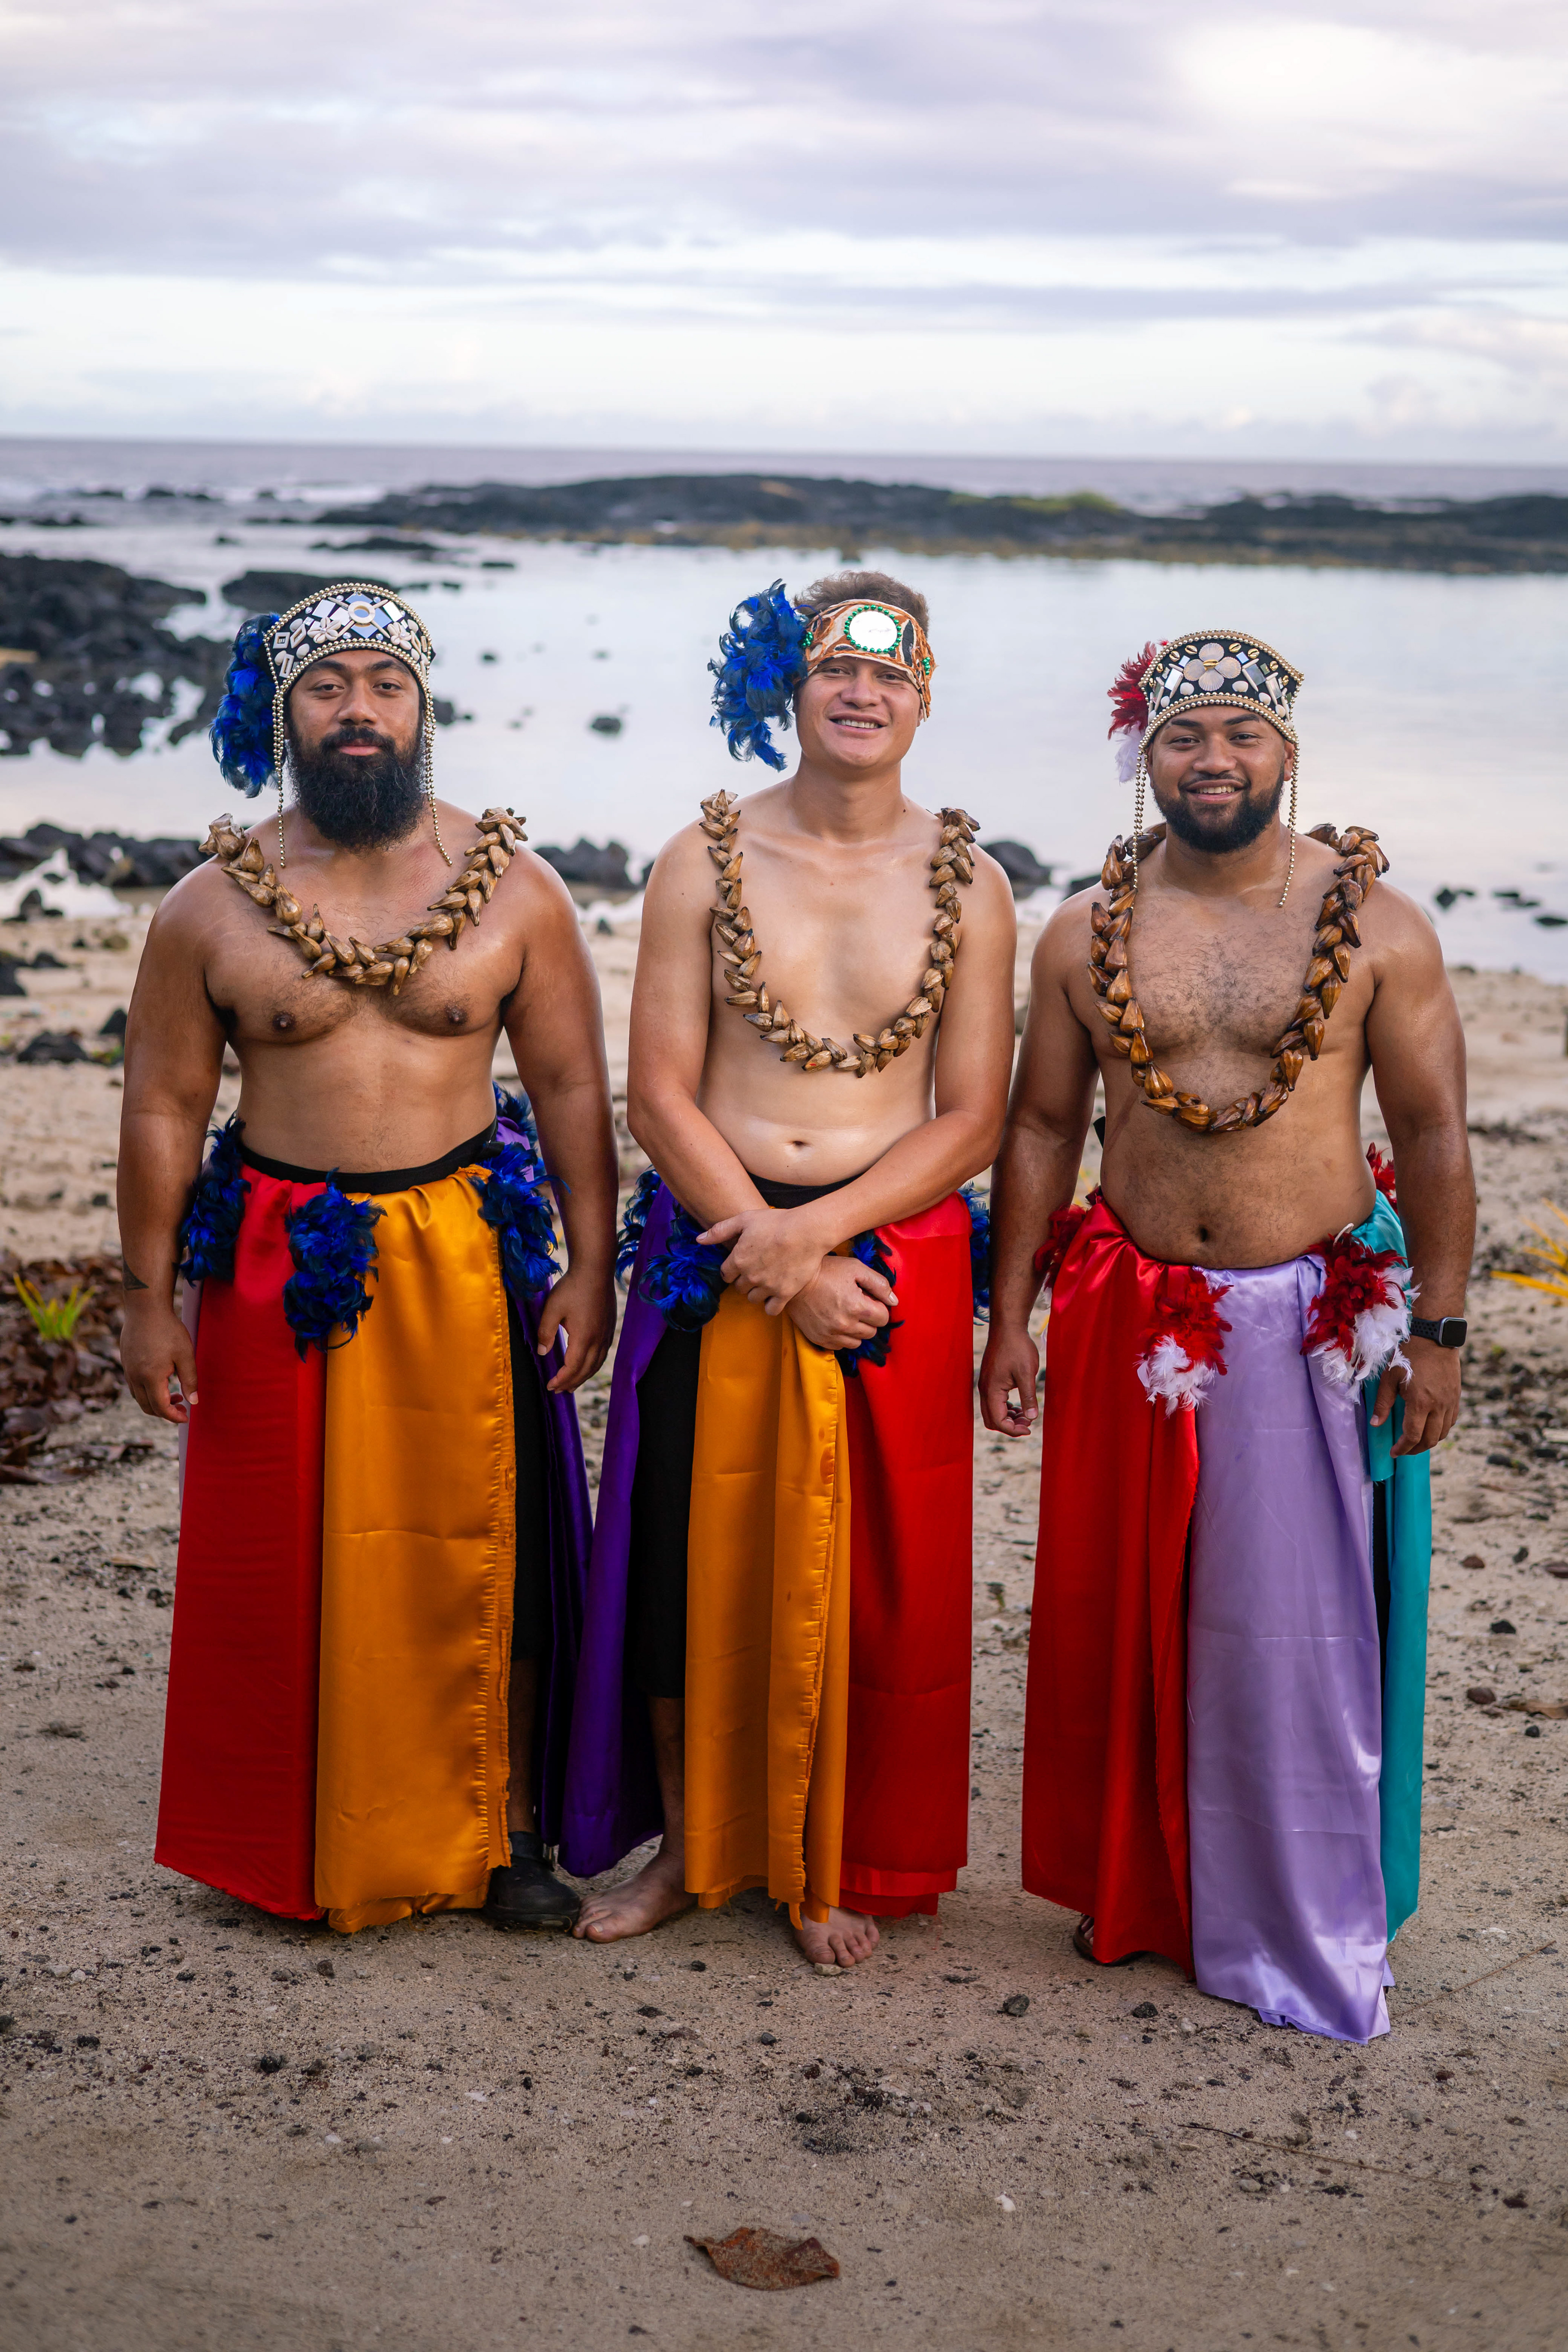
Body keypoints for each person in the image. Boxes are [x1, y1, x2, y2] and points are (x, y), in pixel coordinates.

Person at [982, 628, 1470, 2042]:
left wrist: (1435, 1332)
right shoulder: (1086, 926)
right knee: (1124, 1614)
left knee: (1293, 1641)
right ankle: (1142, 1894)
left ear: (1287, 754)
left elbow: (1434, 1134)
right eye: (1186, 734)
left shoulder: (1375, 927)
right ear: (1147, 753)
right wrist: (1008, 1315)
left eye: (1240, 735)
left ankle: (1299, 1920)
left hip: (1307, 1320)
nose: (1213, 759)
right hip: (1132, 1308)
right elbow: (1038, 1125)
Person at [121, 583, 617, 1935]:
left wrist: (590, 1266)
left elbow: (571, 1088)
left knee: (485, 1553)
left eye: (383, 686)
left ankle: (506, 1827)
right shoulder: (208, 907)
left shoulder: (514, 887)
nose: (358, 711)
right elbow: (165, 1106)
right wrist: (147, 1297)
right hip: (281, 1259)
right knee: (285, 1559)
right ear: (285, 712)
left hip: (466, 1248)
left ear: (423, 707)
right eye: (328, 686)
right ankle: (289, 1831)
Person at [559, 571, 1015, 1967]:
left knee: (870, 1568)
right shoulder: (703, 857)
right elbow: (658, 1092)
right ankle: (696, 1847)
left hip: (882, 1245)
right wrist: (765, 1243)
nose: (860, 693)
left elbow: (973, 1116)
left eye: (888, 674)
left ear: (924, 696)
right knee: (677, 1563)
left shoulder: (971, 883)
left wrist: (817, 1236)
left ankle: (825, 1851)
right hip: (715, 1230)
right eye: (833, 670)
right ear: (792, 689)